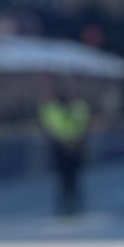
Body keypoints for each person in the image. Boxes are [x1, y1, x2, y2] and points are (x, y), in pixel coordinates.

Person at [38, 84, 92, 216]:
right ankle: (65, 205)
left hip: (75, 148)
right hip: (60, 148)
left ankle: (74, 204)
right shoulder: (52, 109)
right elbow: (49, 128)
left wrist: (76, 142)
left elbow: (84, 125)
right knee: (63, 178)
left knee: (74, 178)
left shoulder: (79, 107)